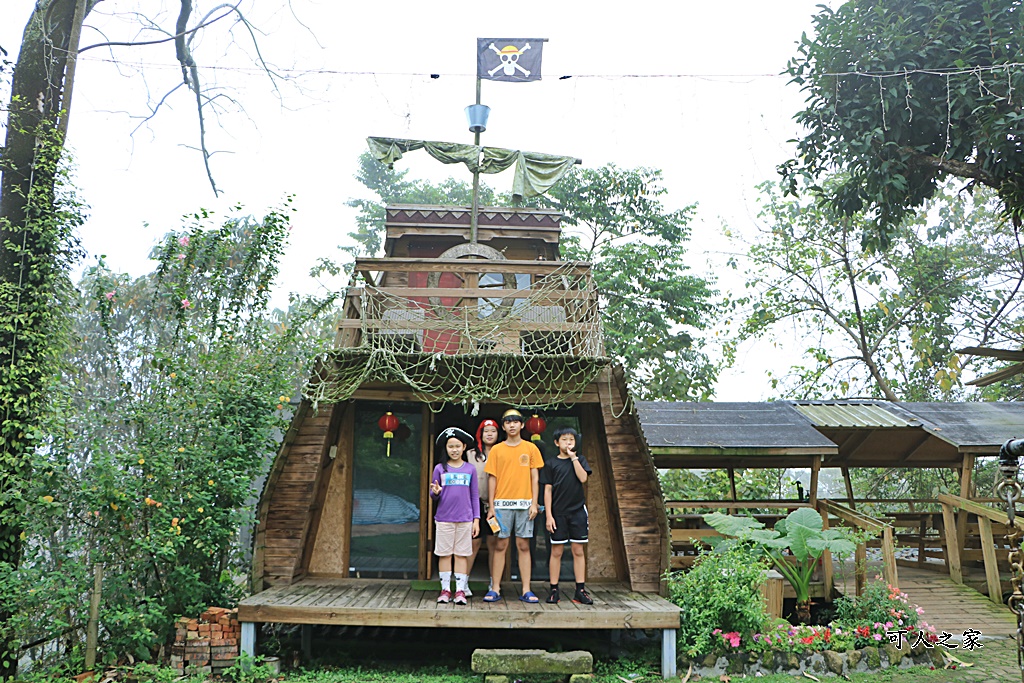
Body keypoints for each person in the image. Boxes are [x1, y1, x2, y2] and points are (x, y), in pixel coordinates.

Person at [483, 409, 544, 603]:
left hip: (525, 504)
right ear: (503, 426)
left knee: (523, 545)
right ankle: (495, 588)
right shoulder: (497, 450)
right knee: (501, 545)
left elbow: (535, 477)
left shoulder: (531, 448)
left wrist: (535, 503)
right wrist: (491, 507)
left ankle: (526, 589)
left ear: (522, 424)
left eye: (515, 421)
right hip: (501, 504)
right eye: (508, 422)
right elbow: (491, 478)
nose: (512, 425)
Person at [541, 426, 593, 605]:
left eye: (571, 439)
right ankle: (554, 589)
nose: (568, 442)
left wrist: (573, 458)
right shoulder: (550, 464)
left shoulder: (580, 460)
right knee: (557, 551)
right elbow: (547, 491)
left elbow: (583, 478)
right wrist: (549, 515)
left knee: (578, 550)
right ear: (556, 443)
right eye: (564, 439)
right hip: (558, 513)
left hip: (578, 512)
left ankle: (580, 590)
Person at [429, 426, 479, 605]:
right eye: (451, 446)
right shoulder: (439, 469)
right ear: (446, 448)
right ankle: (445, 590)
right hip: (444, 519)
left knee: (461, 555)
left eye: (458, 446)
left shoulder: (470, 469)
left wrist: (476, 520)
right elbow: (433, 494)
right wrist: (435, 492)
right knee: (444, 554)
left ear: (464, 447)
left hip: (465, 519)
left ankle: (460, 591)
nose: (454, 450)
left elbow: (474, 495)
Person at [464, 418, 501, 597]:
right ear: (480, 433)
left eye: (493, 431)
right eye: (486, 431)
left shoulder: (503, 452)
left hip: (497, 503)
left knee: (495, 543)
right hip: (475, 503)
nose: (489, 434)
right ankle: (463, 582)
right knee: (474, 541)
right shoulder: (471, 454)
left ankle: (494, 583)